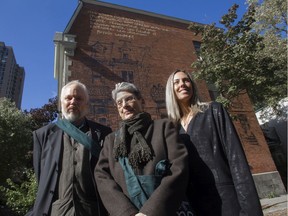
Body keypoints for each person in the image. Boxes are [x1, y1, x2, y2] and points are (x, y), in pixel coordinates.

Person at [165, 70, 263, 216]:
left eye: (186, 80)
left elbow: (236, 160)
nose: (182, 85)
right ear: (170, 90)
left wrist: (250, 210)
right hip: (196, 206)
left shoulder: (213, 110)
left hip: (226, 201)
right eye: (176, 82)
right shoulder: (172, 128)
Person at [95, 82, 189, 216]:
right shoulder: (111, 141)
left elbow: (179, 167)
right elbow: (102, 177)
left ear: (141, 101)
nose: (124, 105)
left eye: (129, 99)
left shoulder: (163, 127)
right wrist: (126, 212)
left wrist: (150, 212)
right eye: (119, 103)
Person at [26, 80, 112, 216]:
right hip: (56, 211)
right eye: (68, 98)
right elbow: (42, 176)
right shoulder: (42, 135)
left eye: (79, 98)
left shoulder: (104, 134)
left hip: (93, 211)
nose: (73, 102)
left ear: (86, 104)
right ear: (61, 103)